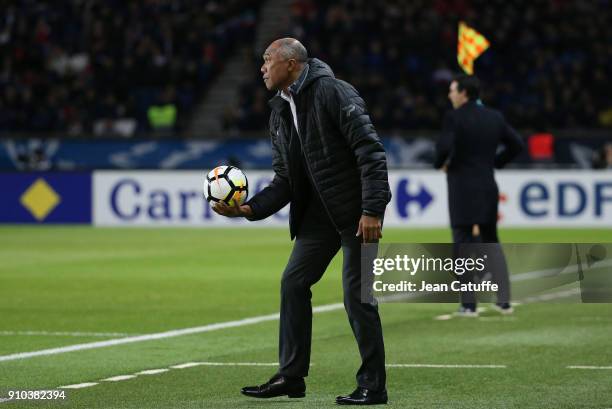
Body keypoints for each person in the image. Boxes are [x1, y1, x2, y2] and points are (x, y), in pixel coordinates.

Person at [213, 38, 391, 405]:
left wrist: (372, 210)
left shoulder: (334, 92)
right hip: (317, 218)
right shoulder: (279, 111)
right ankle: (291, 377)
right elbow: (285, 180)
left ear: (291, 63)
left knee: (357, 298)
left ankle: (373, 385)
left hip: (355, 215)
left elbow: (371, 151)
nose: (262, 68)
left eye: (267, 60)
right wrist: (250, 209)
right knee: (293, 283)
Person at [434, 74, 524, 317]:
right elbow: (517, 144)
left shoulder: (454, 117)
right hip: (487, 185)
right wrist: (495, 162)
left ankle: (468, 304)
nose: (450, 95)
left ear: (463, 93)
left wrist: (441, 163)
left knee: (462, 243)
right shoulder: (494, 117)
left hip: (462, 187)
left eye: (453, 90)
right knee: (491, 241)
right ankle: (504, 300)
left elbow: (443, 147)